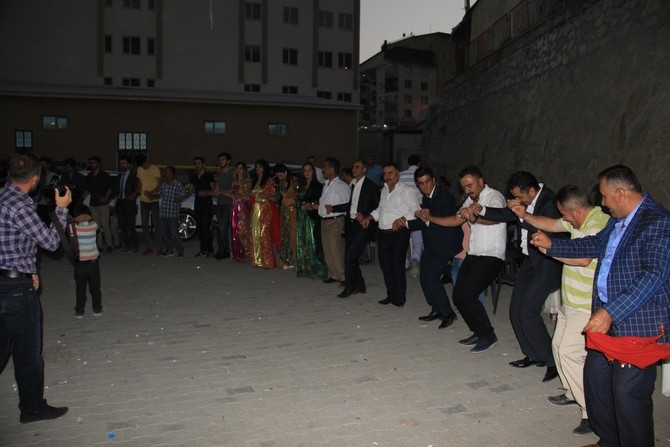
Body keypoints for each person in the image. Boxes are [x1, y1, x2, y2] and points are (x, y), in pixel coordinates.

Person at [531, 165, 669, 447]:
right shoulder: (619, 221)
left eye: (605, 196)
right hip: (605, 320)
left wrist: (610, 312)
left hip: (636, 323)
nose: (602, 202)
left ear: (620, 193)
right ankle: (609, 439)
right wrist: (552, 246)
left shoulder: (657, 222)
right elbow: (591, 245)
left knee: (627, 394)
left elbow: (653, 276)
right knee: (596, 382)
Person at [510, 185, 609, 436]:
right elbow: (553, 224)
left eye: (565, 214)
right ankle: (571, 392)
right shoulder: (577, 220)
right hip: (570, 301)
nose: (563, 219)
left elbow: (584, 258)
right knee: (556, 347)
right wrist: (525, 215)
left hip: (586, 304)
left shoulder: (598, 223)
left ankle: (590, 411)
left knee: (569, 352)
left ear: (576, 210)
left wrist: (550, 247)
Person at [473, 171, 566, 381]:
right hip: (528, 262)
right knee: (515, 310)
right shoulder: (526, 200)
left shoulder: (550, 202)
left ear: (531, 191)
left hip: (546, 265)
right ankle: (533, 355)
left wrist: (522, 214)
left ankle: (551, 361)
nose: (517, 200)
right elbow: (506, 215)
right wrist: (482, 209)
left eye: (519, 196)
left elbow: (549, 229)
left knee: (527, 312)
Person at [0, 151, 70, 423]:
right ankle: (32, 408)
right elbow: (51, 243)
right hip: (14, 289)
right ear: (35, 178)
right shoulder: (20, 204)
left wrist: (29, 269)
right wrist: (61, 208)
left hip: (12, 277)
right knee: (28, 352)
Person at [428, 166, 507, 353]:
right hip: (474, 254)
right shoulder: (469, 200)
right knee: (458, 296)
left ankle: (488, 334)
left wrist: (475, 217)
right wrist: (430, 218)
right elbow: (455, 221)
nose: (467, 190)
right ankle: (479, 332)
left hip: (491, 255)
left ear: (481, 181)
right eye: (464, 187)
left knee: (468, 294)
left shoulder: (494, 197)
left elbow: (495, 218)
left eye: (470, 185)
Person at [409, 166, 463, 329]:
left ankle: (448, 313)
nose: (425, 186)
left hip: (445, 242)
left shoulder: (444, 196)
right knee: (424, 275)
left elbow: (442, 221)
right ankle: (437, 308)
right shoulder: (427, 196)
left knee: (432, 277)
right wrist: (411, 220)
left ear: (433, 180)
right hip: (433, 242)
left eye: (427, 182)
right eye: (421, 183)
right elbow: (427, 220)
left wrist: (424, 217)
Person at [361, 163, 420, 307]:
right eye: (385, 174)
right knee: (386, 266)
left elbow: (415, 210)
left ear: (398, 174)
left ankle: (400, 298)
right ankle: (391, 295)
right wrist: (369, 217)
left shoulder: (407, 190)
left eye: (390, 173)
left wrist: (402, 219)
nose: (387, 177)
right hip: (384, 232)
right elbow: (381, 209)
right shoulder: (384, 190)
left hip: (399, 233)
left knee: (397, 266)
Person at [333, 159, 380, 298]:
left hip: (363, 225)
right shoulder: (353, 185)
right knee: (350, 255)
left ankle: (350, 286)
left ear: (364, 170)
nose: (354, 169)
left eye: (357, 167)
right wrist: (334, 208)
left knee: (350, 256)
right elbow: (350, 206)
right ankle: (359, 284)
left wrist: (366, 216)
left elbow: (378, 206)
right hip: (351, 224)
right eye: (353, 167)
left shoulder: (371, 186)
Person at [319, 157, 351, 284]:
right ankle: (334, 274)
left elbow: (347, 204)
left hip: (335, 221)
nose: (323, 170)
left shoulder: (341, 186)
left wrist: (333, 209)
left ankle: (343, 276)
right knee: (327, 249)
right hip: (324, 220)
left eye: (325, 167)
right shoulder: (327, 185)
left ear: (332, 169)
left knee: (334, 249)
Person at [295, 162, 328, 280]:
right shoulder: (301, 186)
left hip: (312, 218)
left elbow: (322, 202)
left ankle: (318, 268)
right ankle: (305, 267)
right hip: (302, 218)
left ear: (313, 172)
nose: (307, 172)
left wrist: (312, 205)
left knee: (314, 242)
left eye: (309, 170)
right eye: (305, 170)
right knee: (303, 242)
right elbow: (297, 201)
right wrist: (300, 205)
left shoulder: (319, 186)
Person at [72, 204, 103, 318]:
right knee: (95, 288)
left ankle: (79, 310)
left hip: (80, 264)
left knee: (80, 289)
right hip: (93, 263)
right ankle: (97, 308)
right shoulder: (93, 226)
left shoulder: (74, 229)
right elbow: (94, 221)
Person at [186, 156, 216, 257]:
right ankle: (203, 249)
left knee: (206, 228)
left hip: (207, 205)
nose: (197, 165)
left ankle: (210, 249)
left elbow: (214, 191)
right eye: (195, 163)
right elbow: (189, 190)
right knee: (199, 228)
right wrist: (183, 197)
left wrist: (206, 193)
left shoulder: (209, 176)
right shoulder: (194, 178)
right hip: (198, 205)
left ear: (203, 164)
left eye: (199, 163)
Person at [249, 159, 277, 268]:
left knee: (264, 233)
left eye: (260, 167)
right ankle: (257, 259)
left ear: (264, 168)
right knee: (254, 233)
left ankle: (267, 261)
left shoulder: (269, 181)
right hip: (255, 209)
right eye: (256, 167)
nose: (257, 169)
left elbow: (275, 197)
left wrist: (267, 197)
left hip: (265, 209)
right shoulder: (255, 180)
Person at [84, 156, 115, 252]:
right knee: (96, 225)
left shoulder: (105, 175)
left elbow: (110, 188)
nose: (92, 165)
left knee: (105, 225)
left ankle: (109, 244)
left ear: (99, 164)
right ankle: (99, 245)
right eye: (91, 163)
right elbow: (88, 189)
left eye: (94, 163)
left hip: (103, 204)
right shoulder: (89, 176)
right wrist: (82, 197)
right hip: (93, 204)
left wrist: (106, 198)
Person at [399, 154, 423, 277]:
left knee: (402, 240)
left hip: (402, 214)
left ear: (408, 163)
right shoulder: (421, 176)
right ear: (419, 163)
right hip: (418, 211)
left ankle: (405, 263)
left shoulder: (400, 175)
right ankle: (415, 258)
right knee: (417, 238)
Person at [156, 166, 187, 258]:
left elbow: (181, 197)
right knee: (164, 233)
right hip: (163, 212)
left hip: (173, 213)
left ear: (172, 174)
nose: (165, 174)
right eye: (165, 172)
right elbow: (160, 195)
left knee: (174, 233)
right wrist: (152, 196)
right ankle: (169, 249)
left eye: (167, 172)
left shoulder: (177, 184)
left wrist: (179, 199)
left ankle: (180, 250)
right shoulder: (163, 185)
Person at [136, 153, 162, 256]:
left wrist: (151, 192)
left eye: (143, 164)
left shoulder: (155, 168)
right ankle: (149, 247)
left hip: (153, 200)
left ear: (146, 161)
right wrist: (136, 193)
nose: (143, 167)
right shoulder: (139, 169)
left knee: (156, 224)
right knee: (145, 225)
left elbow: (159, 184)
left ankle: (159, 247)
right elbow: (139, 184)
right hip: (143, 200)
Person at [274, 163, 298, 269]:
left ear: (285, 172)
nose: (280, 178)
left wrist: (292, 201)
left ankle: (296, 260)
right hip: (284, 211)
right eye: (278, 176)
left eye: (281, 175)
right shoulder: (280, 183)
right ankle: (286, 260)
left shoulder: (294, 181)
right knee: (285, 234)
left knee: (293, 234)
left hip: (293, 211)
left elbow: (300, 195)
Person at [116, 155, 140, 254]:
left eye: (124, 163)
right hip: (120, 203)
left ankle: (135, 246)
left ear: (129, 164)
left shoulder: (134, 177)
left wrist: (133, 198)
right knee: (122, 226)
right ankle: (127, 246)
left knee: (131, 225)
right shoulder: (119, 177)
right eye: (121, 163)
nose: (122, 165)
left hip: (129, 203)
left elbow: (138, 190)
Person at [230, 161, 252, 262]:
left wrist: (239, 196)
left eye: (241, 168)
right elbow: (232, 194)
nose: (239, 170)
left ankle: (248, 252)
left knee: (243, 229)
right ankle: (237, 252)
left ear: (244, 170)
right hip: (234, 207)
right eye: (237, 168)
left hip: (243, 208)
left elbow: (248, 196)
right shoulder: (234, 182)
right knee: (234, 230)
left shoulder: (247, 181)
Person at [214, 152, 234, 260]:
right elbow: (217, 189)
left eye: (223, 159)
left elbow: (234, 189)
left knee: (223, 228)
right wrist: (216, 192)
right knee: (220, 228)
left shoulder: (232, 173)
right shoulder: (219, 174)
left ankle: (221, 251)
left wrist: (221, 192)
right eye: (220, 159)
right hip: (220, 203)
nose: (220, 161)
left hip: (228, 204)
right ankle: (225, 250)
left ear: (228, 161)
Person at [35, 156, 59, 224]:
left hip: (49, 204)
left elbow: (54, 190)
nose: (42, 166)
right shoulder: (38, 176)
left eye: (43, 164)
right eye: (40, 164)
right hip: (39, 203)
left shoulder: (54, 176)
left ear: (48, 165)